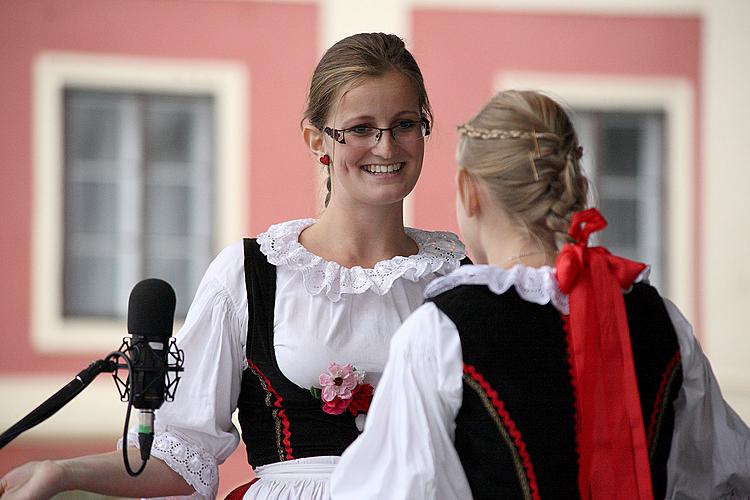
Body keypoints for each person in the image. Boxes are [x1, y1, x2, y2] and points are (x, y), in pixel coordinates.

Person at [0, 33, 465, 500]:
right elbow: (181, 454)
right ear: (315, 138)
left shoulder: (459, 278)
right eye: (361, 128)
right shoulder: (253, 274)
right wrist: (61, 472)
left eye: (404, 124)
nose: (386, 148)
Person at [330, 90, 750, 499]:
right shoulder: (660, 317)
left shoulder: (443, 332)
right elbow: (723, 472)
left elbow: (395, 488)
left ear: (469, 190)